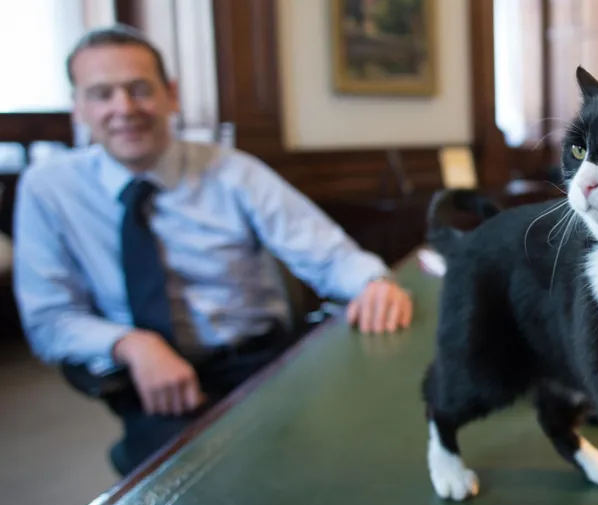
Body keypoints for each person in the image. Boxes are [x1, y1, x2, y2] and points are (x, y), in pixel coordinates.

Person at [12, 25, 414, 476]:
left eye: (139, 89)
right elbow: (49, 320)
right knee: (185, 504)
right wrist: (130, 344)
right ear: (79, 107)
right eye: (102, 93)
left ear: (171, 94)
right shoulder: (48, 189)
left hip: (262, 366)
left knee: (356, 462)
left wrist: (372, 282)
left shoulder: (233, 171)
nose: (123, 109)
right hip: (152, 383)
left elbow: (325, 253)